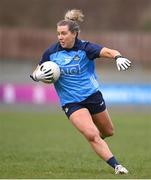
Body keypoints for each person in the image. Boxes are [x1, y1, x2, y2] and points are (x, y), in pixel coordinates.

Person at [30, 9, 131, 174]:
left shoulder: (86, 48)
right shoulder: (51, 52)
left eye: (63, 33)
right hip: (71, 102)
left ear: (74, 34)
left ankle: (97, 140)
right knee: (91, 134)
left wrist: (118, 57)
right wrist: (37, 76)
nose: (60, 37)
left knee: (108, 131)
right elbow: (37, 70)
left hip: (92, 96)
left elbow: (109, 51)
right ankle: (117, 166)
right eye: (58, 34)